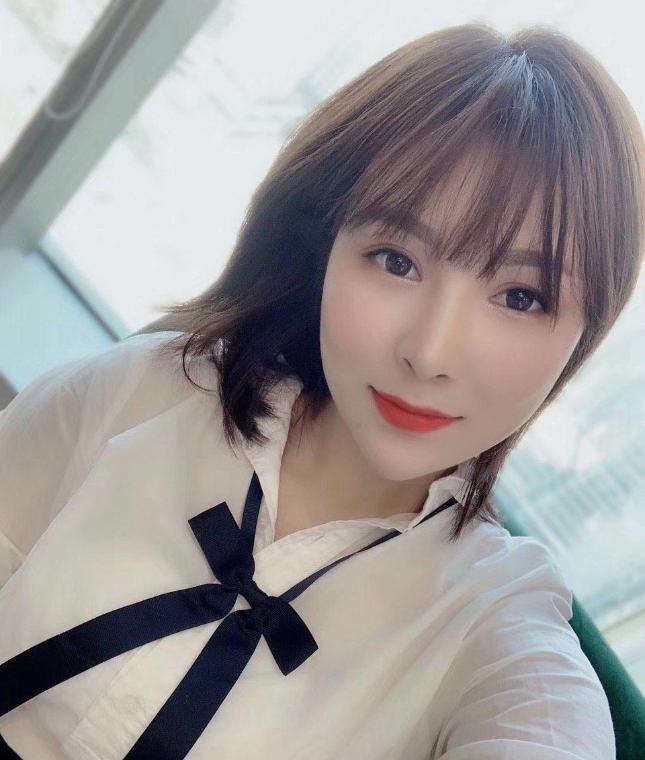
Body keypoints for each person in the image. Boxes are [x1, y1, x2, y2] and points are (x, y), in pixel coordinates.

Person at [0, 21, 642, 760]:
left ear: (583, 337)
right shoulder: (143, 390)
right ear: (325, 246)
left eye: (520, 297)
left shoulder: (496, 631)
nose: (429, 353)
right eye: (396, 260)